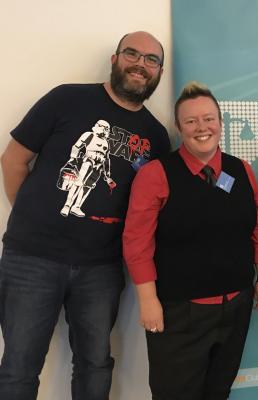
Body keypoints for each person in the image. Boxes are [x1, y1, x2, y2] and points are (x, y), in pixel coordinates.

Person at [0, 31, 170, 400]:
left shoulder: (156, 137)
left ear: (158, 72)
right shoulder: (67, 99)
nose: (141, 64)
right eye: (132, 54)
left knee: (95, 363)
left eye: (151, 60)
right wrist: (36, 219)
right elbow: (14, 160)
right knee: (19, 367)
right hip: (32, 259)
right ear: (115, 59)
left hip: (101, 268)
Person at [123, 81, 258, 400]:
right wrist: (148, 300)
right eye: (191, 121)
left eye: (208, 119)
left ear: (220, 122)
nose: (201, 127)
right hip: (179, 312)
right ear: (179, 127)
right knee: (175, 393)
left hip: (235, 306)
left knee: (219, 389)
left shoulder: (240, 170)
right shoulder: (156, 175)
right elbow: (137, 242)